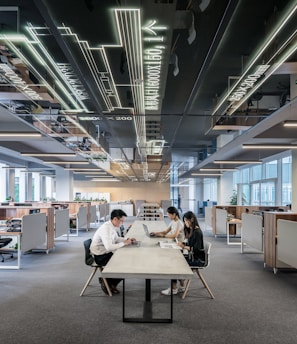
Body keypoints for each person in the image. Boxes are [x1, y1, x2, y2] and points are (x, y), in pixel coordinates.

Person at [90, 209, 136, 295]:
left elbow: (116, 239)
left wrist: (127, 239)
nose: (122, 223)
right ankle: (107, 282)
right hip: (100, 255)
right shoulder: (106, 228)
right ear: (115, 219)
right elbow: (109, 247)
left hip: (105, 252)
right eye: (121, 221)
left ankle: (109, 282)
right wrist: (124, 243)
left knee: (126, 262)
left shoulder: (111, 226)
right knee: (124, 266)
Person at [161, 210, 205, 296]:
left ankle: (174, 288)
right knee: (175, 259)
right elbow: (191, 244)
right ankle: (181, 285)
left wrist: (184, 246)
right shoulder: (193, 230)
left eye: (185, 221)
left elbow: (196, 249)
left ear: (191, 219)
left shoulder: (197, 232)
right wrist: (183, 244)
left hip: (198, 260)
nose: (185, 223)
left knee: (174, 263)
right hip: (193, 256)